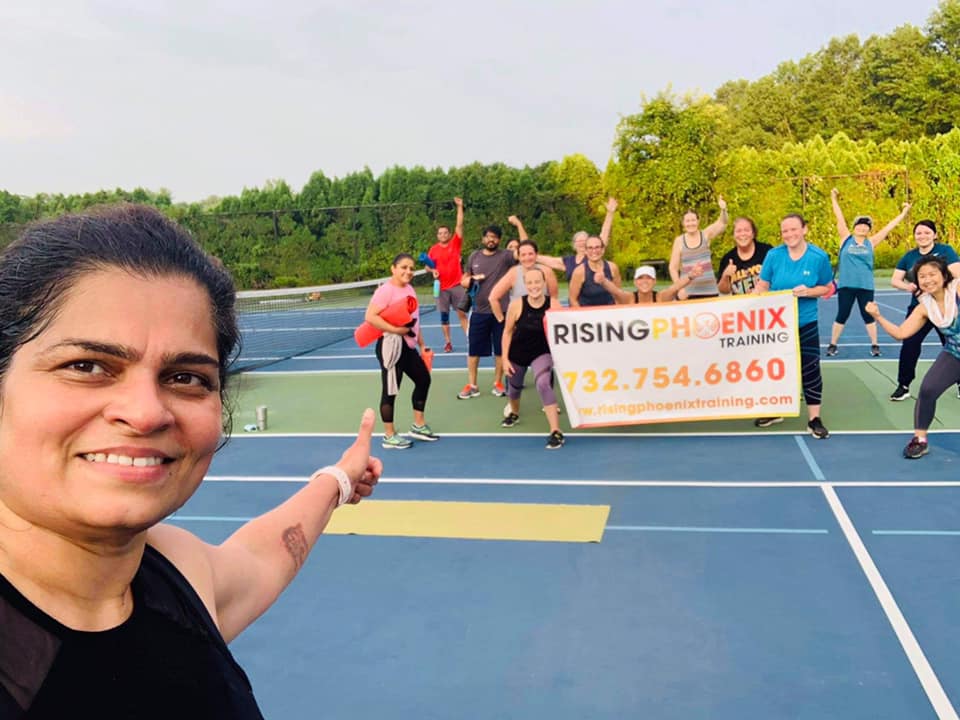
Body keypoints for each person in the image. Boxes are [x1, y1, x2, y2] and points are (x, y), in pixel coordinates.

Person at [0, 205, 380, 718]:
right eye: (86, 366)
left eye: (185, 377)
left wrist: (338, 480)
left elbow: (260, 558)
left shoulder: (172, 572)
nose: (146, 413)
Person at [866, 255, 960, 458]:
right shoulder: (924, 307)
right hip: (954, 353)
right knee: (928, 390)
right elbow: (901, 333)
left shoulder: (958, 290)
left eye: (932, 274)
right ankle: (920, 440)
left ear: (944, 276)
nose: (928, 280)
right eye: (922, 276)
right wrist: (877, 316)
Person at [753, 213, 834, 438]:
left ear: (804, 229)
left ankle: (814, 419)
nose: (789, 234)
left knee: (810, 368)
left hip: (805, 321)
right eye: (785, 231)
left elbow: (827, 287)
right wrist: (754, 298)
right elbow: (763, 285)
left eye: (793, 229)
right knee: (775, 368)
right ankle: (775, 410)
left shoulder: (818, 256)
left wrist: (808, 291)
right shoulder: (774, 255)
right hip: (777, 324)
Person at [364, 253, 438, 450]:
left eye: (411, 268)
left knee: (423, 379)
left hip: (408, 345)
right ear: (393, 269)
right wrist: (395, 330)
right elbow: (370, 316)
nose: (408, 271)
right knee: (390, 390)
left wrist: (421, 344)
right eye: (404, 267)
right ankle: (389, 436)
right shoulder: (385, 291)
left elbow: (414, 321)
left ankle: (418, 425)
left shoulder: (410, 289)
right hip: (390, 345)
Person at [826, 188, 911, 357]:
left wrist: (904, 213)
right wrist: (833, 198)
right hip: (846, 286)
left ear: (868, 230)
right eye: (860, 225)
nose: (862, 228)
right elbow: (839, 218)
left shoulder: (871, 242)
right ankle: (833, 344)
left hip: (865, 286)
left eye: (866, 226)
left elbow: (889, 227)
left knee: (869, 315)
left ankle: (875, 345)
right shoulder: (845, 239)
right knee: (842, 314)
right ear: (855, 227)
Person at [888, 220, 960, 401]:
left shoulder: (945, 251)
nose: (922, 236)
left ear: (934, 235)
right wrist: (909, 286)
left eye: (927, 232)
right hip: (922, 308)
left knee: (953, 344)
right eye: (918, 233)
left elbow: (956, 273)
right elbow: (895, 280)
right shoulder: (909, 256)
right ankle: (904, 385)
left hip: (945, 306)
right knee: (910, 344)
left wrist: (938, 285)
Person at [499, 267, 565, 449]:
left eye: (537, 282)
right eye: (529, 282)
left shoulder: (554, 305)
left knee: (543, 384)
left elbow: (565, 332)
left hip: (541, 353)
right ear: (525, 285)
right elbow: (507, 333)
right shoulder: (516, 305)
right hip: (518, 353)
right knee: (514, 389)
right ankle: (514, 412)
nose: (534, 286)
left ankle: (556, 431)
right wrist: (504, 359)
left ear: (544, 283)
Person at [457, 223, 518, 399]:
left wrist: (518, 224)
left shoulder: (505, 256)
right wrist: (469, 280)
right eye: (488, 236)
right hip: (478, 312)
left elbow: (524, 251)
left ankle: (497, 383)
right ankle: (472, 385)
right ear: (483, 238)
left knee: (500, 350)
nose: (491, 240)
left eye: (495, 237)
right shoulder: (474, 256)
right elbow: (464, 279)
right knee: (473, 350)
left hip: (501, 312)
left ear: (499, 240)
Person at [537, 197, 618, 284]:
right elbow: (549, 261)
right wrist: (529, 254)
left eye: (584, 241)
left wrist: (610, 213)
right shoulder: (568, 262)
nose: (582, 243)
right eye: (579, 241)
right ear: (574, 245)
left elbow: (604, 235)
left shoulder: (594, 255)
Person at [426, 196, 467, 353]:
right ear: (437, 236)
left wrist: (459, 207)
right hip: (441, 288)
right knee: (444, 317)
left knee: (462, 313)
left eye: (445, 233)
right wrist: (432, 271)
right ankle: (448, 342)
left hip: (457, 286)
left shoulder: (455, 245)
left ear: (449, 234)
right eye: (440, 233)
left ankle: (471, 339)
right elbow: (427, 267)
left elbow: (459, 225)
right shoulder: (433, 250)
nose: (443, 235)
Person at [668, 196, 728, 298]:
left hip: (709, 291)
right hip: (687, 293)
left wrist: (723, 209)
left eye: (693, 220)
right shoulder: (679, 241)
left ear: (698, 221)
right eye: (687, 221)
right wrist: (679, 288)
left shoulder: (706, 234)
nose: (691, 223)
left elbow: (723, 222)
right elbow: (673, 268)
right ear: (683, 223)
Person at [488, 237, 561, 316]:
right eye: (523, 255)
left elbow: (554, 299)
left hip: (543, 319)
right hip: (519, 320)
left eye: (530, 254)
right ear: (519, 257)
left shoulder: (547, 272)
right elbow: (493, 298)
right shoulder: (513, 273)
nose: (527, 258)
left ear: (536, 255)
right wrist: (501, 320)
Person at [717, 216, 773, 295]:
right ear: (733, 235)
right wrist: (725, 276)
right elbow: (723, 291)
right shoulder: (727, 258)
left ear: (753, 234)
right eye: (738, 231)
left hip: (767, 301)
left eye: (746, 230)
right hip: (741, 303)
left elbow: (780, 278)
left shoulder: (767, 251)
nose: (742, 234)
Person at [600, 264, 701, 304]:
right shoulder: (630, 298)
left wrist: (691, 275)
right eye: (640, 278)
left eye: (648, 278)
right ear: (635, 282)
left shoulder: (660, 297)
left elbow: (675, 287)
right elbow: (615, 291)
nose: (644, 281)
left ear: (654, 281)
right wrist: (603, 281)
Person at [568, 235, 622, 307]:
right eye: (590, 248)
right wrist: (581, 313)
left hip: (609, 311)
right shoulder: (579, 272)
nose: (594, 251)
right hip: (587, 312)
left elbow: (618, 295)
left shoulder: (613, 268)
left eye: (597, 247)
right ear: (586, 251)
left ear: (603, 250)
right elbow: (572, 299)